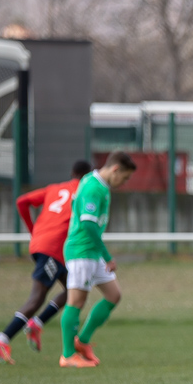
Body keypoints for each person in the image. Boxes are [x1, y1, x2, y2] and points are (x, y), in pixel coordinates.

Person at [0, 160, 92, 364]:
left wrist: (33, 229)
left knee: (76, 289)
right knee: (37, 298)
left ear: (72, 172)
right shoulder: (84, 192)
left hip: (47, 246)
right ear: (87, 176)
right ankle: (2, 338)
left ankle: (36, 323)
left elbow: (22, 201)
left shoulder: (54, 188)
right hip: (52, 248)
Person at [58, 151, 136, 368]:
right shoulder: (93, 188)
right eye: (125, 177)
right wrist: (108, 256)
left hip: (91, 252)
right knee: (76, 302)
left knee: (113, 295)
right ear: (115, 169)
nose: (124, 182)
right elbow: (88, 224)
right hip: (82, 251)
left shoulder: (98, 184)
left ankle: (82, 341)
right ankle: (67, 355)